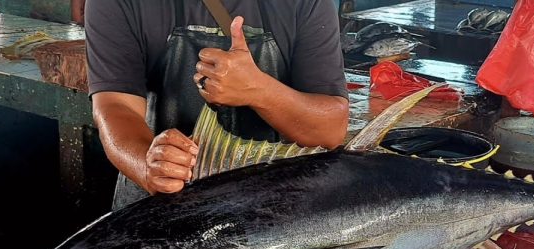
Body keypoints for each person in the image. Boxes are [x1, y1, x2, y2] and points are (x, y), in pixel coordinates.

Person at [85, 0, 349, 210]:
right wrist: (146, 165)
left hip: (276, 212)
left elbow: (329, 130)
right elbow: (115, 105)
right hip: (161, 209)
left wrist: (260, 91)